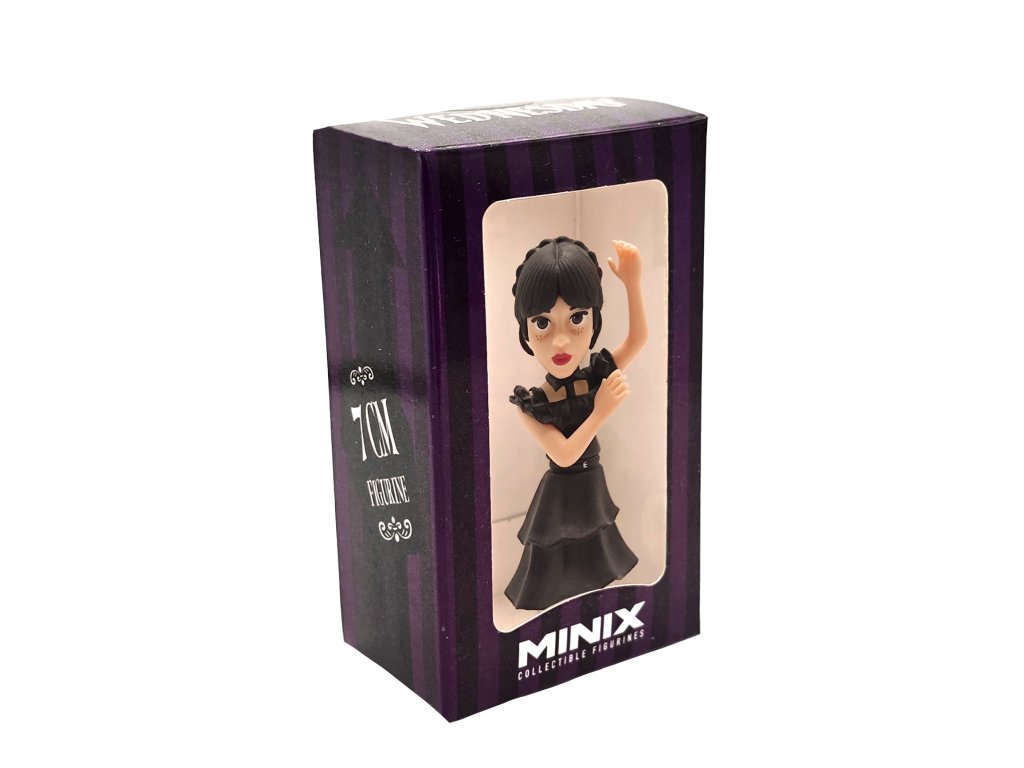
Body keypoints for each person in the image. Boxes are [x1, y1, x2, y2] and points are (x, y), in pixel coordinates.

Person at [505, 235, 648, 610]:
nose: (561, 341)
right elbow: (564, 454)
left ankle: (594, 607)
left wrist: (632, 283)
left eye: (577, 318)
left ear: (594, 319)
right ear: (525, 331)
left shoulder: (594, 375)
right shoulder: (533, 404)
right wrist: (600, 411)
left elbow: (637, 340)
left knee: (595, 556)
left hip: (591, 484)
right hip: (561, 492)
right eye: (542, 323)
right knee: (554, 561)